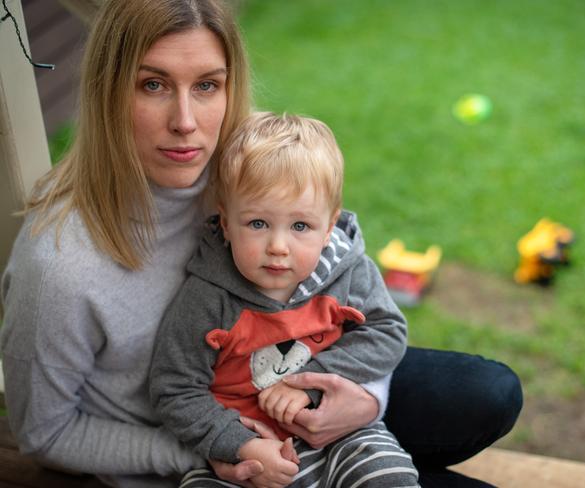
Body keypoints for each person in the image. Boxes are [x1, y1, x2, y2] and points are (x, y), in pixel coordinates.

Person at [0, 1, 522, 487]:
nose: (186, 123)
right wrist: (215, 453)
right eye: (153, 85)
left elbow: (340, 271)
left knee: (486, 393)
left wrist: (363, 402)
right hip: (205, 448)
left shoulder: (239, 167)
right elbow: (46, 434)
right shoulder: (57, 267)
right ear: (106, 90)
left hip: (305, 386)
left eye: (207, 85)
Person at [150, 111, 420, 487]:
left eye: (300, 226)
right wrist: (238, 445)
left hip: (341, 437)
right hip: (246, 452)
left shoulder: (349, 273)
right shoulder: (206, 297)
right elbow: (174, 388)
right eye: (258, 223)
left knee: (386, 474)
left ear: (328, 227)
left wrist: (312, 383)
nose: (278, 247)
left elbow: (386, 331)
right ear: (226, 223)